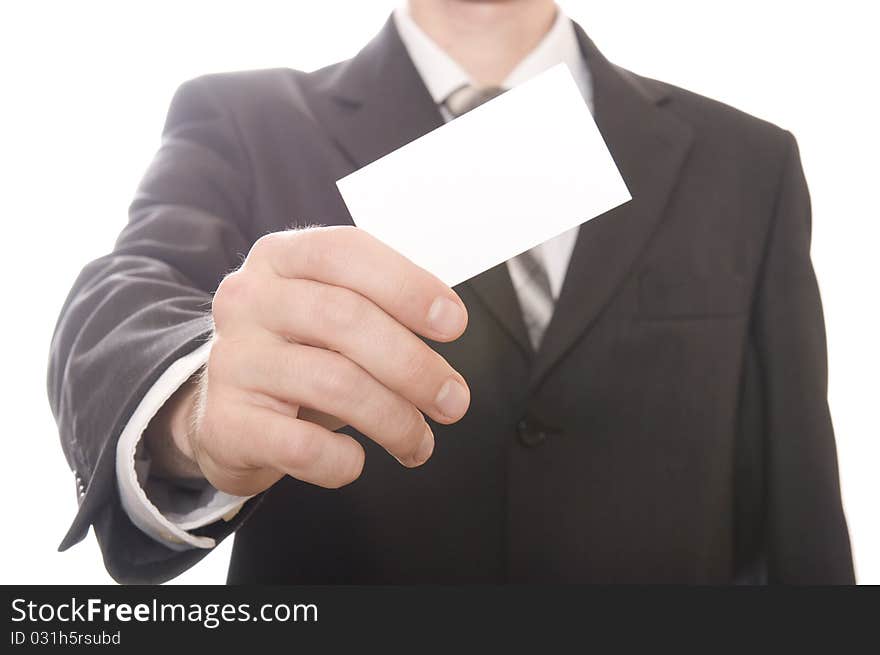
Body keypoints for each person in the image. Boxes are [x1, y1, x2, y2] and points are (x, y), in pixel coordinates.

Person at [48, 0, 854, 583]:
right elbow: (121, 296)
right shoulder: (241, 116)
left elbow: (801, 512)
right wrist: (196, 398)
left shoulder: (746, 159)